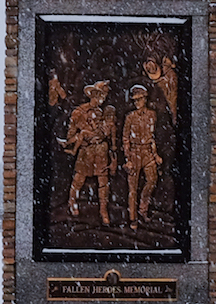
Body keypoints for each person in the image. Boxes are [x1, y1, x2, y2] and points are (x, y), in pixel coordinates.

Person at [65, 81, 117, 224]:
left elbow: (110, 135)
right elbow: (70, 136)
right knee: (78, 180)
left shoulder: (104, 113)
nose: (104, 99)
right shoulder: (78, 112)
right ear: (94, 95)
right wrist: (86, 138)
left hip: (101, 151)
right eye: (102, 95)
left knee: (103, 183)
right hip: (86, 151)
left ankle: (103, 210)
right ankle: (72, 202)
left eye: (105, 96)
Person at [123, 85, 161, 224]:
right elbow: (125, 139)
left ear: (145, 99)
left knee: (152, 180)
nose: (137, 103)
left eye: (139, 100)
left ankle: (143, 209)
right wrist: (128, 159)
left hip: (147, 152)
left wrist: (155, 154)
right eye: (135, 100)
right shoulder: (130, 117)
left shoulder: (152, 115)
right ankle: (133, 218)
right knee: (132, 188)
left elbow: (152, 137)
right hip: (134, 152)